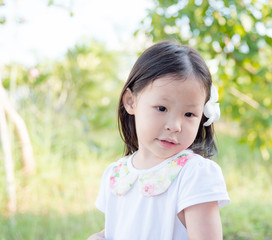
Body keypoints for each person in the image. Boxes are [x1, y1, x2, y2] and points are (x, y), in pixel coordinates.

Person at [88, 41, 230, 240]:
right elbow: (119, 230)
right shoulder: (117, 174)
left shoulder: (193, 174)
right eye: (162, 108)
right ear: (131, 101)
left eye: (189, 114)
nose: (175, 126)